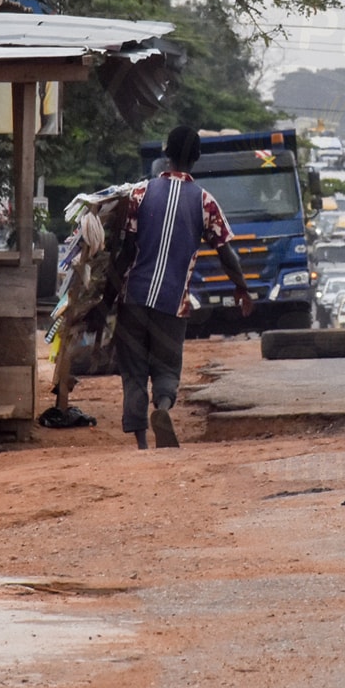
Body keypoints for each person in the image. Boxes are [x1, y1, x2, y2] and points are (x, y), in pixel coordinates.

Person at [112, 126, 253, 449]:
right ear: (198, 157)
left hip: (133, 299)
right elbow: (226, 253)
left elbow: (127, 252)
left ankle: (142, 445)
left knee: (133, 372)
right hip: (173, 305)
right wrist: (241, 288)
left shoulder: (140, 193)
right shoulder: (205, 202)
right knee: (166, 368)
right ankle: (162, 407)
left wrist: (107, 299)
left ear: (166, 154)